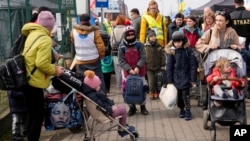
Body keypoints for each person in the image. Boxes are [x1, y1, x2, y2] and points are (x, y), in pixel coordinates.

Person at [21, 11, 64, 141]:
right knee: (38, 117)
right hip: (35, 82)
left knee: (31, 116)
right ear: (50, 26)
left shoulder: (32, 34)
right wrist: (56, 70)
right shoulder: (45, 39)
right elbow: (41, 63)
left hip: (26, 79)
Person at [83, 70, 136, 137]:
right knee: (123, 109)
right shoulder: (94, 96)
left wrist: (111, 105)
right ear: (93, 86)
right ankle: (122, 128)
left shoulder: (91, 94)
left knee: (121, 107)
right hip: (106, 114)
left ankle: (123, 125)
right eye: (98, 85)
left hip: (105, 111)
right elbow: (101, 105)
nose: (99, 86)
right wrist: (111, 109)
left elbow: (103, 101)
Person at [165, 31, 197, 120]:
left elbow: (193, 65)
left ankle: (188, 110)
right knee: (179, 97)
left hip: (186, 77)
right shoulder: (171, 52)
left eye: (179, 42)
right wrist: (169, 81)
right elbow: (169, 67)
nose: (177, 44)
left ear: (183, 41)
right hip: (176, 78)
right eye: (175, 42)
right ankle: (181, 109)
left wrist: (193, 78)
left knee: (186, 95)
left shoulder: (188, 50)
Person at [70, 13, 106, 92]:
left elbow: (72, 41)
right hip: (94, 60)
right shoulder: (94, 31)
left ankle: (87, 97)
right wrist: (101, 56)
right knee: (99, 77)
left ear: (80, 20)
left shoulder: (73, 31)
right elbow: (100, 46)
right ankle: (102, 95)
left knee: (83, 79)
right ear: (89, 20)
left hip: (80, 61)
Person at [118, 26, 149, 116]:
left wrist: (138, 66)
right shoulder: (122, 47)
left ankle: (143, 106)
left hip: (140, 71)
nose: (131, 37)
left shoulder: (140, 44)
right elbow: (121, 61)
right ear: (125, 36)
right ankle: (132, 107)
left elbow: (143, 57)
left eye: (132, 35)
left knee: (143, 88)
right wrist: (129, 69)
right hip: (127, 73)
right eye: (129, 36)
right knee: (127, 89)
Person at [145, 29, 166, 100]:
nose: (153, 37)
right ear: (148, 37)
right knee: (151, 81)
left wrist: (163, 64)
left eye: (154, 36)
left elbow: (162, 56)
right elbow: (143, 57)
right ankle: (151, 92)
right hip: (149, 67)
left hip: (158, 66)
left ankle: (157, 91)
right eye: (151, 36)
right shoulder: (145, 47)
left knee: (157, 80)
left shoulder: (159, 46)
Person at [110, 14, 127, 90]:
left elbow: (111, 41)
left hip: (115, 52)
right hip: (125, 52)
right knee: (125, 68)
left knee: (117, 70)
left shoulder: (113, 30)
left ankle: (118, 85)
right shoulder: (126, 29)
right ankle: (125, 84)